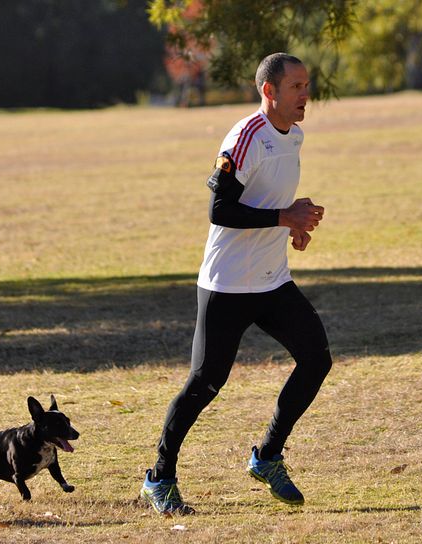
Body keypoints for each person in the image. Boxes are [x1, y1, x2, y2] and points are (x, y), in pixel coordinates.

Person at [140, 53, 333, 514]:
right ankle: (159, 477)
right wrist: (284, 216)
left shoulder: (295, 136)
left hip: (271, 281)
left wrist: (291, 225)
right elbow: (219, 210)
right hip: (227, 284)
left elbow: (267, 200)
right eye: (296, 87)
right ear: (269, 91)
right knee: (205, 383)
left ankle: (267, 456)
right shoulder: (245, 136)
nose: (306, 95)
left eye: (307, 85)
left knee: (316, 359)